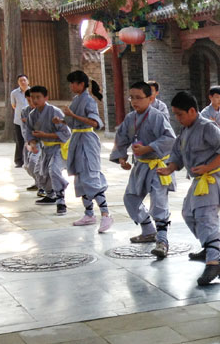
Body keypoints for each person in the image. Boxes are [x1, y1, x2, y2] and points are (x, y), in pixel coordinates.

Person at [157, 91, 220, 285]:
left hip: (213, 178)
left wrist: (209, 166)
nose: (177, 118)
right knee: (188, 213)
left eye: (180, 114)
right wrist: (170, 168)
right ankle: (209, 248)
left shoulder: (207, 127)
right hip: (199, 180)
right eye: (175, 114)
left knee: (205, 216)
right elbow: (177, 155)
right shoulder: (185, 130)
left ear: (192, 111)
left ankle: (214, 260)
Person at [110, 81, 177, 259]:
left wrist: (148, 148)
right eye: (131, 97)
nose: (134, 101)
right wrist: (122, 157)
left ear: (150, 98)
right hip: (141, 165)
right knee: (130, 198)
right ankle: (148, 229)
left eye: (139, 98)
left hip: (158, 165)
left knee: (159, 202)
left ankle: (162, 241)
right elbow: (122, 137)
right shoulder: (130, 118)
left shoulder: (157, 116)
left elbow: (170, 138)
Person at [63, 70, 113, 233]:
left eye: (74, 83)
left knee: (90, 176)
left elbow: (95, 122)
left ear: (82, 84)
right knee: (80, 177)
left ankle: (105, 214)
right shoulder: (76, 99)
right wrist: (63, 120)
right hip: (77, 140)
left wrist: (73, 115)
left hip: (87, 141)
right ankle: (89, 214)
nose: (71, 86)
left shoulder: (89, 101)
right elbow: (72, 120)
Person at [23, 86, 70, 215]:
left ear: (45, 98)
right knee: (39, 172)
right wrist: (32, 144)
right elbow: (29, 132)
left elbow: (66, 133)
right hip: (44, 148)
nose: (35, 100)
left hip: (58, 147)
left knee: (54, 171)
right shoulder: (32, 115)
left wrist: (45, 135)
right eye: (32, 98)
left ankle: (61, 201)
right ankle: (51, 195)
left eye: (38, 97)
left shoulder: (55, 112)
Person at [10, 74, 30, 169]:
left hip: (31, 120)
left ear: (28, 81)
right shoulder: (14, 93)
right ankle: (19, 160)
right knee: (19, 140)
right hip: (18, 120)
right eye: (20, 81)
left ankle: (29, 159)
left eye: (24, 80)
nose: (22, 82)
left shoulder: (33, 91)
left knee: (30, 139)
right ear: (18, 82)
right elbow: (13, 105)